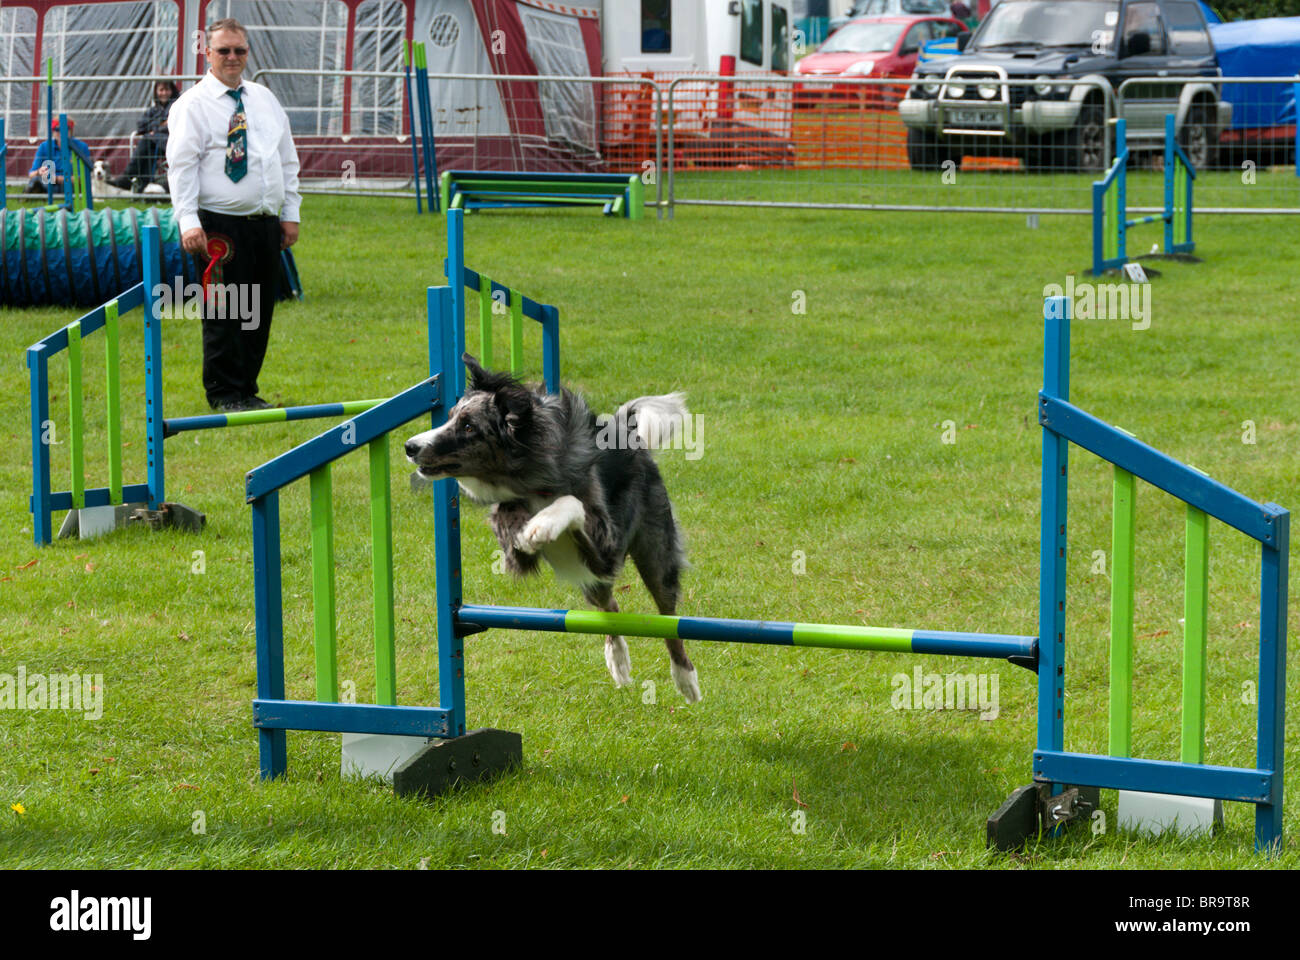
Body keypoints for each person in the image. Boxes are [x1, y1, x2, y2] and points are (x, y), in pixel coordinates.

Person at [166, 17, 301, 413]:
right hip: (217, 227)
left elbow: (286, 159)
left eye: (239, 50)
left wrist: (289, 213)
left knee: (258, 309)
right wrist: (188, 221)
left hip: (264, 224)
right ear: (207, 53)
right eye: (223, 50)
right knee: (226, 308)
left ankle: (247, 389)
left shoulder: (265, 100)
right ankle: (224, 393)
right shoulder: (192, 105)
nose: (231, 57)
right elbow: (181, 166)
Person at [112, 80, 180, 190]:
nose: (164, 93)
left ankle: (128, 176)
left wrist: (155, 129)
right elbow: (141, 126)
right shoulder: (154, 110)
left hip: (171, 142)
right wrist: (160, 125)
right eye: (161, 90)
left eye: (167, 90)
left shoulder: (176, 106)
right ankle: (143, 187)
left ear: (172, 91)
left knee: (147, 140)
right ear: (156, 92)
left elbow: (172, 125)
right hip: (155, 143)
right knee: (149, 148)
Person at [25, 118, 91, 194]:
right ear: (53, 131)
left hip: (70, 184)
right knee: (36, 180)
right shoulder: (44, 146)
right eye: (57, 129)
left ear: (71, 131)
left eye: (66, 129)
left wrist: (55, 178)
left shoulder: (81, 147)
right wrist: (39, 171)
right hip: (49, 183)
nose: (61, 132)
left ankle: (38, 193)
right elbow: (31, 174)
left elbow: (81, 178)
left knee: (71, 185)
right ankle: (33, 194)